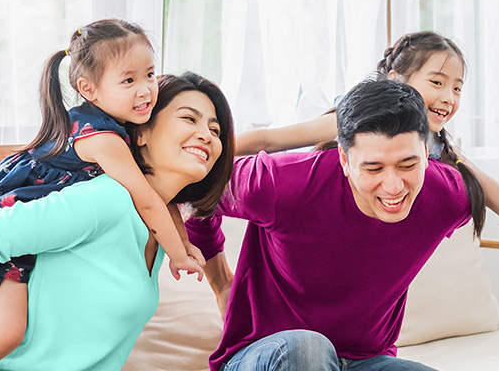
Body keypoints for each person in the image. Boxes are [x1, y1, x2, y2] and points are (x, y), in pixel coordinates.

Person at [0, 19, 208, 369]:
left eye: (149, 75)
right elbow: (145, 199)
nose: (145, 90)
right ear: (88, 88)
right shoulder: (106, 142)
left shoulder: (115, 129)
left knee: (2, 334)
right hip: (6, 217)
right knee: (5, 332)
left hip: (23, 235)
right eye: (128, 80)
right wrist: (178, 255)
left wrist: (183, 243)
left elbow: (160, 200)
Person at [187, 79, 475, 371]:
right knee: (310, 349)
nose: (393, 186)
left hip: (366, 361)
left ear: (426, 154)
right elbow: (196, 192)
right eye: (373, 167)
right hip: (267, 356)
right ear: (344, 160)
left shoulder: (446, 195)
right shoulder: (283, 184)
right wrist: (221, 283)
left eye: (407, 165)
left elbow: (482, 190)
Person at [233, 30, 499, 255]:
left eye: (457, 88)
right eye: (436, 82)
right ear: (396, 79)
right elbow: (271, 138)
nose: (449, 97)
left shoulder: (435, 142)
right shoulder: (357, 121)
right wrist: (215, 155)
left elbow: (486, 186)